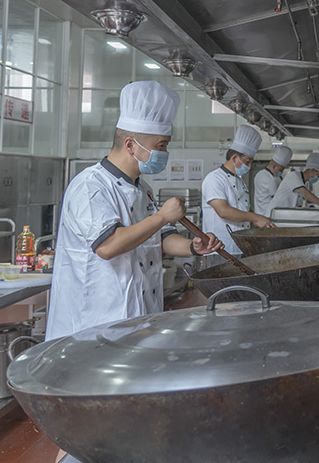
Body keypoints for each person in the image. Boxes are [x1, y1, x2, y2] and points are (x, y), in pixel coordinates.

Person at [47, 80, 224, 341]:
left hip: (139, 316)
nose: (165, 152)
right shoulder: (91, 186)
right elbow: (108, 245)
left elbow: (160, 238)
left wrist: (193, 247)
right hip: (95, 323)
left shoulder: (143, 189)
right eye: (161, 145)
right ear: (130, 145)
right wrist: (161, 216)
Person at [201, 125, 275, 257]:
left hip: (240, 248)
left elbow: (244, 210)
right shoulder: (214, 179)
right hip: (219, 250)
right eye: (247, 162)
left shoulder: (240, 182)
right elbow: (223, 211)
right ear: (235, 158)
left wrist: (260, 221)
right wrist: (256, 217)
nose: (249, 166)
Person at [270, 151, 319, 216]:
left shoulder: (302, 182)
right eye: (318, 176)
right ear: (312, 170)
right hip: (274, 215)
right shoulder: (293, 176)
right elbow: (306, 194)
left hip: (283, 215)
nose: (317, 178)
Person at [253, 145, 293, 217]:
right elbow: (279, 199)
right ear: (274, 167)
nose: (281, 172)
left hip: (258, 212)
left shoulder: (259, 174)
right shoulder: (271, 180)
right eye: (280, 170)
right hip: (268, 215)